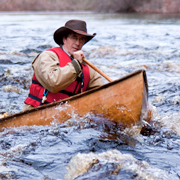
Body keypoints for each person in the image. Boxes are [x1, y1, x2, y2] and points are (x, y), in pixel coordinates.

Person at [23, 19, 104, 111]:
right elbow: (53, 83)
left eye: (81, 39)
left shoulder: (88, 69)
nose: (77, 43)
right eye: (74, 37)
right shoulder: (47, 56)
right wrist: (76, 64)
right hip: (38, 112)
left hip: (67, 118)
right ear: (64, 39)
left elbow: (101, 93)